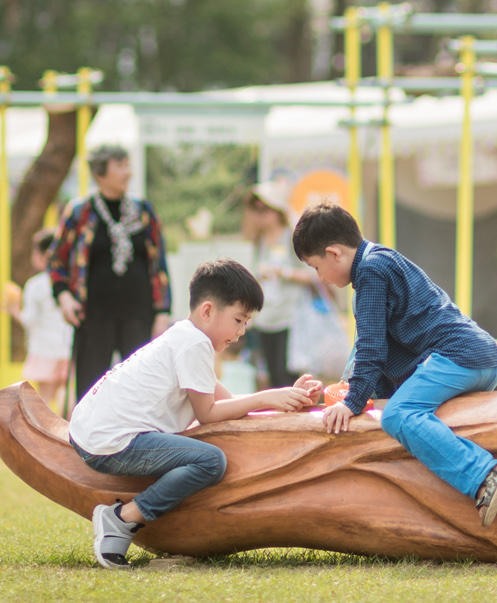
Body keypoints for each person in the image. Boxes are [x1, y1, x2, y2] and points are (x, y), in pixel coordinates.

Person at [72, 259, 321, 569]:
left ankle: (120, 521)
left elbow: (228, 403)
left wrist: (283, 398)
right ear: (207, 311)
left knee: (207, 455)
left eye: (245, 323)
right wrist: (267, 395)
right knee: (210, 461)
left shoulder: (184, 336)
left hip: (92, 430)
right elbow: (208, 414)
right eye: (238, 320)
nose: (241, 332)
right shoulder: (194, 344)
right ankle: (122, 518)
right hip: (110, 440)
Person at [291, 203, 497, 527]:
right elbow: (369, 350)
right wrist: (340, 391)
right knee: (390, 408)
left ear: (334, 254)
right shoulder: (377, 262)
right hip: (475, 358)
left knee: (398, 414)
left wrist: (351, 403)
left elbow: (371, 349)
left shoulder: (370, 271)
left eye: (315, 267)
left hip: (459, 356)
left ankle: (482, 474)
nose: (319, 277)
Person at [49, 145, 172, 405]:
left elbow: (158, 262)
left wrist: (162, 312)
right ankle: (87, 443)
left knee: (141, 386)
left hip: (139, 314)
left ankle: (141, 442)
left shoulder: (143, 211)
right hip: (93, 315)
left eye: (127, 164)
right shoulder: (80, 212)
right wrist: (63, 297)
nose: (127, 172)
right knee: (90, 388)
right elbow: (56, 259)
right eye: (120, 166)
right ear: (99, 174)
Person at [241, 183, 314, 388]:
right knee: (272, 379)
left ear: (277, 209)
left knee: (288, 378)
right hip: (266, 318)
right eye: (255, 209)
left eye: (264, 208)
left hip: (291, 318)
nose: (259, 214)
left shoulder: (292, 235)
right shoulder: (260, 239)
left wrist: (283, 272)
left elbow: (313, 274)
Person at [7, 229, 73, 413]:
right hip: (66, 345)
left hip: (44, 349)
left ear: (44, 255)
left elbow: (30, 320)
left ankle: (46, 436)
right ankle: (70, 433)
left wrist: (14, 311)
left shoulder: (35, 285)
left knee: (45, 397)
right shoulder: (70, 282)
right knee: (65, 393)